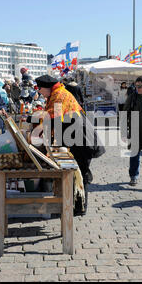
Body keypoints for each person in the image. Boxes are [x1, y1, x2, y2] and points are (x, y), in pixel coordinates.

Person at [35, 75, 105, 215]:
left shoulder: (59, 95)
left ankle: (80, 208)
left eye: (40, 89)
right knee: (79, 171)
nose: (40, 93)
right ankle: (75, 204)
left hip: (82, 139)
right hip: (75, 138)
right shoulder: (57, 93)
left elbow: (53, 120)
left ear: (47, 88)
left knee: (81, 173)